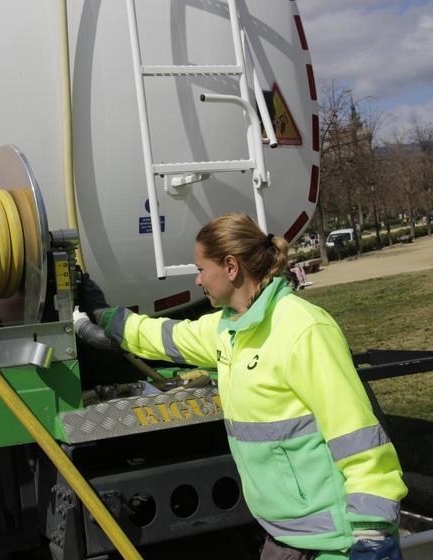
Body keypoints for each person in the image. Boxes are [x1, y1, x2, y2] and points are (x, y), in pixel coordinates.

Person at [75, 213, 405, 560]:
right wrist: (104, 314)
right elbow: (164, 336)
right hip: (286, 536)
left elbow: (357, 436)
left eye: (202, 268)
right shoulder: (228, 331)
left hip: (336, 542)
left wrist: (372, 532)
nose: (198, 280)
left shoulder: (302, 329)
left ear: (231, 267)